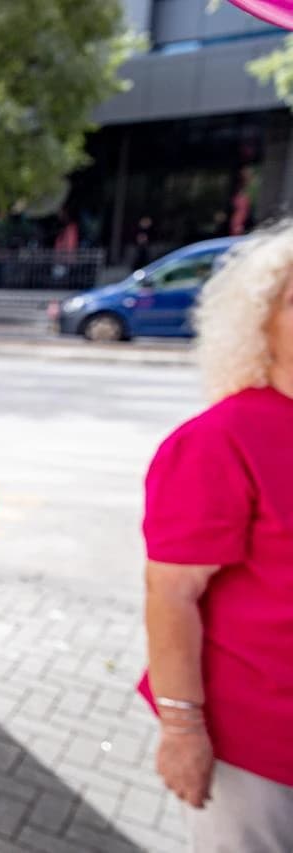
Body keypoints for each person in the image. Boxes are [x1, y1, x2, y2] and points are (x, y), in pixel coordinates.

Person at [142, 219, 293, 849]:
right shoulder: (220, 441)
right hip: (257, 752)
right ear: (260, 322)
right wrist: (182, 730)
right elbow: (171, 595)